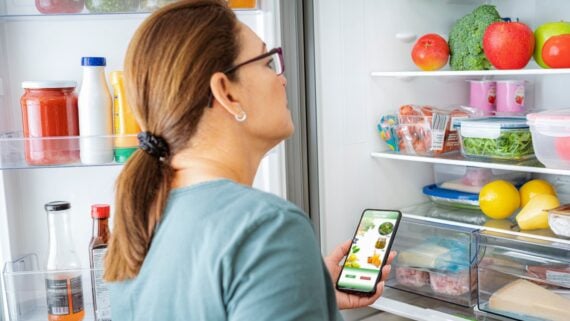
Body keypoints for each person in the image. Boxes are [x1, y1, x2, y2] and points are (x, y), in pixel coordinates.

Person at [104, 0, 395, 320]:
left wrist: (307, 286)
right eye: (268, 63)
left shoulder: (142, 217)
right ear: (227, 93)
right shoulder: (267, 227)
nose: (282, 79)